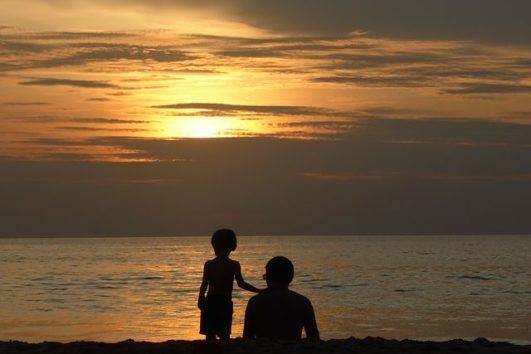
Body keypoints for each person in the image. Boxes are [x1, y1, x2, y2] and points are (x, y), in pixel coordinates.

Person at [198, 229, 261, 341]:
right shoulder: (233, 265)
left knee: (210, 335)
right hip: (224, 302)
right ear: (233, 246)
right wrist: (260, 291)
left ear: (214, 246)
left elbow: (204, 284)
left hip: (210, 301)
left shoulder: (209, 264)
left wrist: (200, 298)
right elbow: (241, 284)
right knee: (224, 335)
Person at [243, 256, 320, 340]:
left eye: (266, 275)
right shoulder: (303, 302)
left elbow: (247, 336)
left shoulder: (255, 302)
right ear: (291, 278)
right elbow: (314, 336)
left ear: (269, 277)